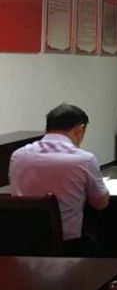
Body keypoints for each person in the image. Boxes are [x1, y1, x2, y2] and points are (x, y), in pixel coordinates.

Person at [9, 103, 109, 255]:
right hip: (69, 246)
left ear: (46, 128)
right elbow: (100, 203)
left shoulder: (18, 156)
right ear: (80, 130)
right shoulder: (84, 160)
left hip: (23, 244)